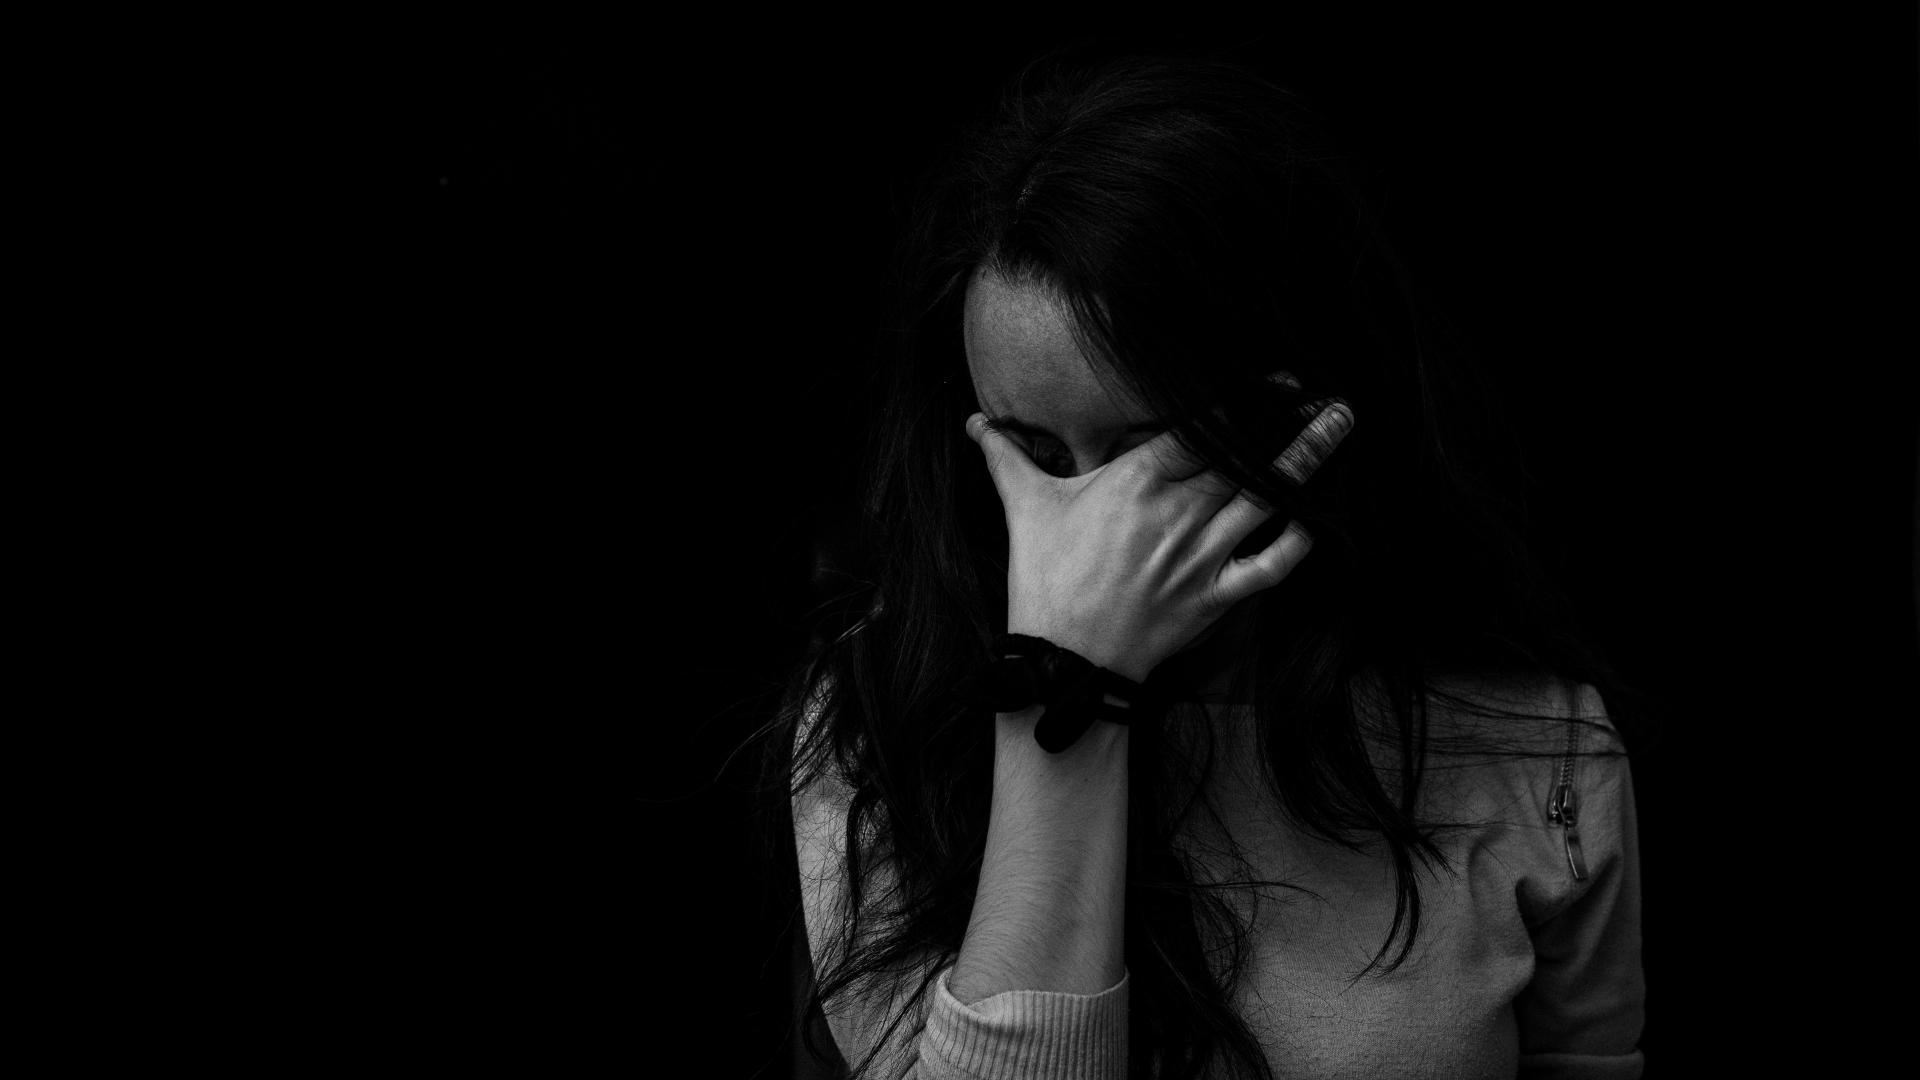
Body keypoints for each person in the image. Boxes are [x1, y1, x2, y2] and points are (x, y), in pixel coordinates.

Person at [763, 48, 1655, 1080]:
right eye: (1041, 459)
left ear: (1305, 420)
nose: (1087, 532)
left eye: (1145, 456)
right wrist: (1069, 689)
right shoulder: (880, 724)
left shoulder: (1531, 741)